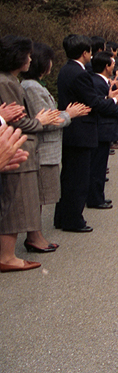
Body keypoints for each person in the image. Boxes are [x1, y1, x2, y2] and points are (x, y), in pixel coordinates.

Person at [54, 34, 118, 233]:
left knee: (69, 176)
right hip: (81, 129)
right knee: (78, 178)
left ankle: (62, 216)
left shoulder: (66, 70)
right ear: (84, 53)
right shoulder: (80, 74)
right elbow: (94, 102)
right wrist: (115, 101)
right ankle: (73, 219)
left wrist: (109, 97)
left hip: (72, 129)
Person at [0, 36, 63, 271]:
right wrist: (39, 120)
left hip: (18, 147)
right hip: (17, 148)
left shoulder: (12, 81)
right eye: (26, 54)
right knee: (16, 203)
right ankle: (7, 256)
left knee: (20, 201)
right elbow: (19, 121)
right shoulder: (7, 82)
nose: (29, 59)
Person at [20, 43, 90, 251]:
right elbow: (45, 120)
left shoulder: (33, 85)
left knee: (41, 195)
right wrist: (70, 114)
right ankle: (34, 236)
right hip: (43, 149)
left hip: (46, 148)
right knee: (38, 196)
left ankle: (36, 234)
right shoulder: (32, 87)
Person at [87, 51, 118, 210]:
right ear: (106, 66)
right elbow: (102, 107)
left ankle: (98, 196)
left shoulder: (102, 82)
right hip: (101, 128)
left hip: (102, 129)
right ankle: (95, 198)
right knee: (97, 166)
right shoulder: (98, 83)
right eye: (112, 64)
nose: (114, 66)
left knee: (100, 165)